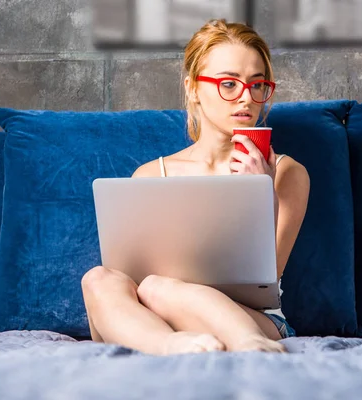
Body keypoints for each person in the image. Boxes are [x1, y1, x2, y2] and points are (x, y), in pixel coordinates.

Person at [81, 19, 310, 355]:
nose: (246, 98)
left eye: (257, 84)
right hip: (158, 317)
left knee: (161, 288)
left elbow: (266, 282)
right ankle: (170, 345)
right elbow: (130, 283)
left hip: (251, 318)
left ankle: (250, 345)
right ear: (192, 88)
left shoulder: (286, 172)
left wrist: (260, 194)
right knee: (98, 279)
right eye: (229, 84)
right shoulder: (151, 175)